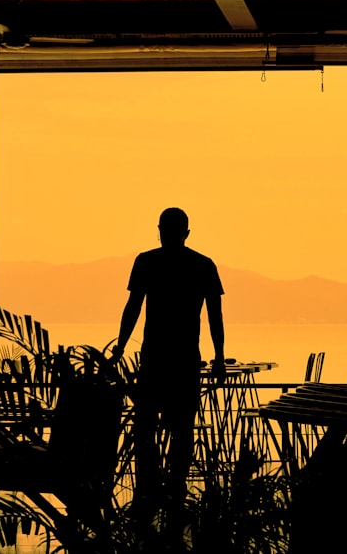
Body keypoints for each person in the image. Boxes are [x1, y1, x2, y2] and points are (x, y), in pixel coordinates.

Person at [111, 207, 226, 543]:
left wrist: (119, 348)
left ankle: (151, 492)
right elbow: (215, 316)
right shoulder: (202, 265)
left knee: (149, 427)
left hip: (159, 360)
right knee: (178, 429)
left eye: (167, 230)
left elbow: (133, 307)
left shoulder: (147, 262)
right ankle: (171, 493)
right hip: (181, 361)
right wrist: (218, 357)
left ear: (163, 230)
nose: (168, 235)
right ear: (185, 233)